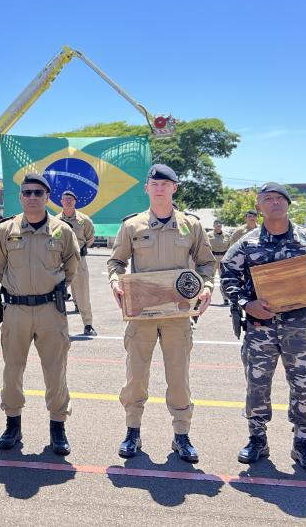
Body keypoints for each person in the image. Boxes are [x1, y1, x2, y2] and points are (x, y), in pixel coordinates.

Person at [221, 182, 306, 473]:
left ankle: (302, 443)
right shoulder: (247, 244)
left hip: (300, 326)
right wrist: (246, 304)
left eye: (280, 198)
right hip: (261, 328)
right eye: (267, 198)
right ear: (259, 206)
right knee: (257, 385)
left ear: (288, 204)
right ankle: (257, 439)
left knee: (304, 387)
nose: (274, 202)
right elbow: (228, 277)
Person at [107, 164, 214, 462]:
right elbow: (115, 262)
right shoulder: (132, 226)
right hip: (141, 314)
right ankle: (132, 432)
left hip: (178, 316)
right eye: (154, 183)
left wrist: (206, 287)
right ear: (146, 188)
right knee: (136, 376)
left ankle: (181, 435)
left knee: (178, 378)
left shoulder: (190, 225)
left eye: (165, 183)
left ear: (174, 188)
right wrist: (116, 282)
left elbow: (206, 264)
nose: (159, 188)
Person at [0, 173, 79, 455]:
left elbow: (71, 267)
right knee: (12, 369)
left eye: (38, 193)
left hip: (49, 310)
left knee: (55, 371)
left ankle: (58, 427)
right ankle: (12, 424)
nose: (32, 197)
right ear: (20, 197)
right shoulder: (5, 230)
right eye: (27, 193)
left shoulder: (62, 231)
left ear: (47, 197)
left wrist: (51, 288)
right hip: (15, 309)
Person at [56, 190, 97, 336]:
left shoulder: (84, 220)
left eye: (71, 199)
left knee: (82, 293)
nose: (68, 201)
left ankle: (88, 324)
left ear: (75, 201)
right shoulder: (55, 220)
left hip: (78, 260)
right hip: (59, 262)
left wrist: (83, 247)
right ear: (61, 201)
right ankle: (58, 326)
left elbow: (90, 236)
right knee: (57, 294)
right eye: (65, 198)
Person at [207, 219, 231, 305]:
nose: (218, 225)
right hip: (212, 257)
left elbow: (230, 248)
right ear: (213, 225)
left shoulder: (227, 235)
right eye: (216, 223)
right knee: (210, 278)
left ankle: (225, 298)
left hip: (223, 258)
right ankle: (207, 298)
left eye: (220, 223)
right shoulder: (208, 235)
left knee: (224, 279)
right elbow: (205, 246)